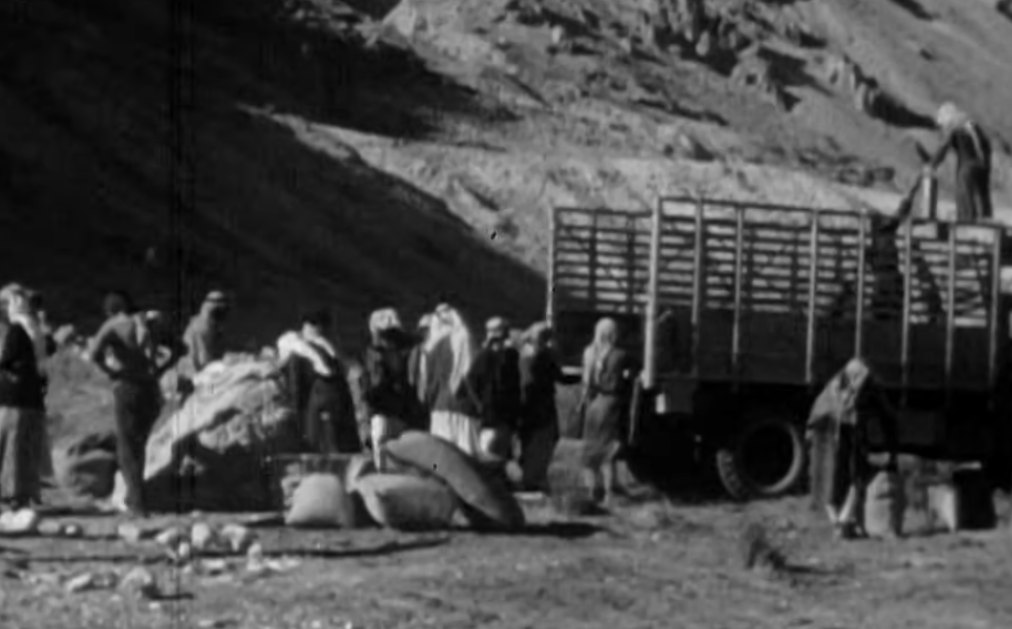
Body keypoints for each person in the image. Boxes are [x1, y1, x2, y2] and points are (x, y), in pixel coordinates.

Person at [86, 291, 173, 517]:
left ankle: (137, 503)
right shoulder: (147, 322)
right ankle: (137, 497)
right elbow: (180, 348)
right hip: (151, 389)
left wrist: (112, 372)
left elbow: (93, 354)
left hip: (127, 387)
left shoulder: (112, 325)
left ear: (109, 310)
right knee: (140, 445)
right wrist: (159, 370)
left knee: (126, 447)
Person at [807, 357, 899, 540]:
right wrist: (891, 449)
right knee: (854, 478)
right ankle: (842, 524)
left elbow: (818, 412)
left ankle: (841, 523)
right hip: (839, 435)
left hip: (831, 436)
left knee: (832, 480)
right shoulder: (868, 388)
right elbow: (887, 416)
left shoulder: (836, 385)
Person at [0, 285, 54, 510]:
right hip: (33, 394)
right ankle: (27, 492)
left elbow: (6, 358)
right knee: (27, 445)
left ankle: (14, 494)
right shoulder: (35, 326)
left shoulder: (17, 328)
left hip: (15, 396)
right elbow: (47, 351)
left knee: (13, 444)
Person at [278, 310, 359, 454]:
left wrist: (295, 415)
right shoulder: (327, 347)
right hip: (336, 397)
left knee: (318, 440)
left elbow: (295, 387)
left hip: (318, 399)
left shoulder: (297, 349)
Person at [518, 322, 581, 492]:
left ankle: (527, 477)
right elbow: (559, 377)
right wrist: (582, 379)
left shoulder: (523, 353)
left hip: (526, 403)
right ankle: (537, 478)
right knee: (545, 440)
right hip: (543, 403)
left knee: (528, 441)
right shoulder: (545, 356)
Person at [580, 317, 635, 507]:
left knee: (591, 448)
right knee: (608, 449)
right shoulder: (620, 355)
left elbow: (586, 382)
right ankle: (609, 493)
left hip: (593, 403)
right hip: (611, 402)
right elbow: (632, 375)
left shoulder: (589, 353)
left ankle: (591, 489)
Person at [419, 304, 485, 457]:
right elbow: (468, 373)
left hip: (438, 409)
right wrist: (479, 404)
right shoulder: (463, 338)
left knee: (440, 458)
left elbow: (425, 385)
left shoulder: (429, 347)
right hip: (463, 406)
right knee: (467, 458)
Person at [362, 308, 422, 470]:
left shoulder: (378, 353)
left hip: (384, 410)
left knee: (381, 452)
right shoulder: (407, 351)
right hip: (401, 411)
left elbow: (376, 383)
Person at [461, 317, 522, 466]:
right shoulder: (486, 356)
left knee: (498, 454)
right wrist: (479, 405)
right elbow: (470, 382)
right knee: (489, 454)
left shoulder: (510, 356)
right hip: (491, 415)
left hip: (503, 415)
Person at [930, 103, 993, 222]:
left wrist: (932, 165)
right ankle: (986, 220)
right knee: (983, 194)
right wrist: (987, 167)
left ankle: (966, 221)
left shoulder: (955, 128)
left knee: (962, 191)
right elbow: (987, 146)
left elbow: (943, 149)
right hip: (982, 166)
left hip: (967, 167)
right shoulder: (972, 125)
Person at [179, 291, 230, 397]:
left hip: (194, 374)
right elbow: (202, 359)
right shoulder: (203, 327)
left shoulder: (200, 324)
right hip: (193, 376)